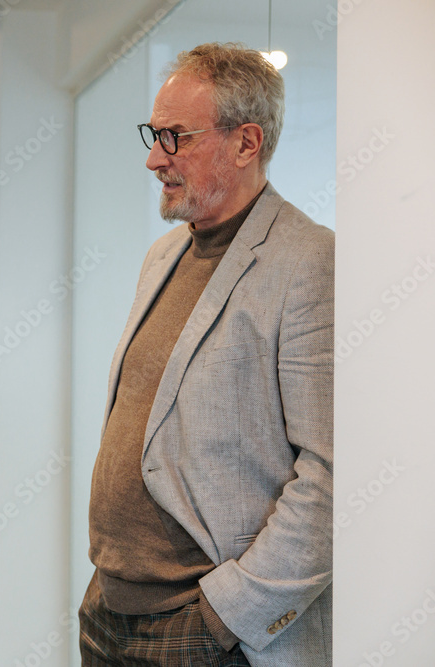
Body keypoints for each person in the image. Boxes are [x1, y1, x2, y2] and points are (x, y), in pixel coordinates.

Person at [78, 43, 333, 666]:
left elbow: (331, 472)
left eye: (175, 138)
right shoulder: (163, 256)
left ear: (247, 143)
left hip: (204, 629)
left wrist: (227, 614)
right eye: (153, 134)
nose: (152, 158)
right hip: (109, 609)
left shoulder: (311, 261)